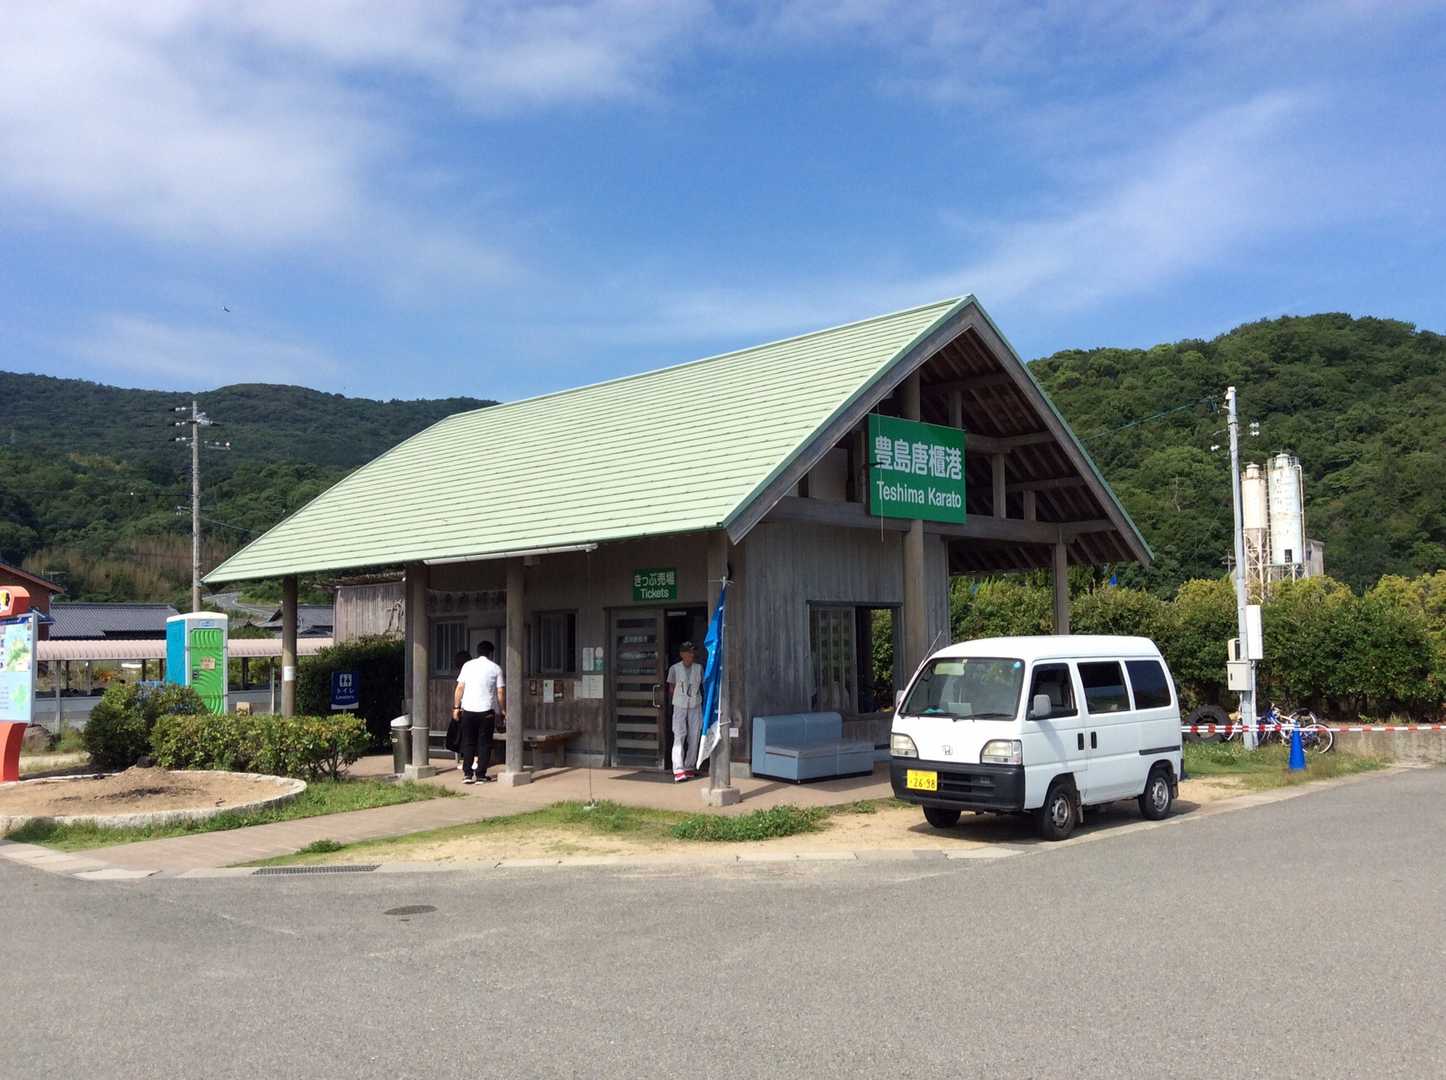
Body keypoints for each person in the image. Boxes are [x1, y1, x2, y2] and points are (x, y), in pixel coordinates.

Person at [453, 641, 505, 785]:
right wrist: (502, 710)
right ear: (491, 653)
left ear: (477, 651)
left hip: (468, 710)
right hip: (486, 711)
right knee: (484, 743)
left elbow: (460, 688)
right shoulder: (496, 668)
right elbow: (500, 692)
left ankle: (467, 774)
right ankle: (481, 775)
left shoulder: (467, 666)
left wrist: (456, 708)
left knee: (468, 742)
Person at [666, 641, 703, 782]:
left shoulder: (699, 668)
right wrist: (676, 701)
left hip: (695, 704)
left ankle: (689, 766)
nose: (692, 654)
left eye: (693, 652)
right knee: (679, 735)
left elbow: (702, 685)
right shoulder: (674, 669)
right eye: (689, 652)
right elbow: (671, 688)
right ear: (682, 654)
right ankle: (678, 769)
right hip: (679, 705)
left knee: (695, 735)